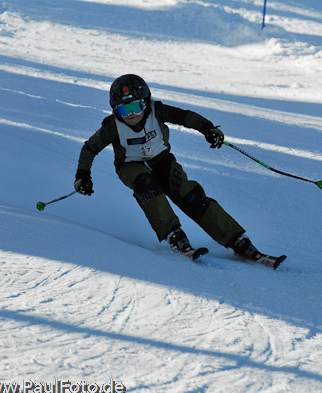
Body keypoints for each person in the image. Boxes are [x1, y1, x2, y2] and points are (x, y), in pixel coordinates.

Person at [74, 74, 261, 260]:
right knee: (147, 184)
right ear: (115, 109)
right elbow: (90, 148)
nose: (131, 115)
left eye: (135, 107)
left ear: (145, 103)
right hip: (130, 166)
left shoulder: (157, 111)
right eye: (124, 110)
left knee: (190, 195)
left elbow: (185, 117)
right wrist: (82, 175)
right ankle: (173, 234)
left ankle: (236, 238)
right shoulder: (112, 127)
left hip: (161, 159)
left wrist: (208, 128)